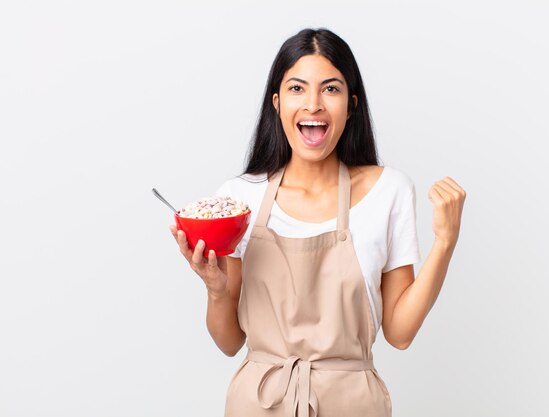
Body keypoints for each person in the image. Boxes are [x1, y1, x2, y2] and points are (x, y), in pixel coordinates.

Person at [169, 28, 466, 417]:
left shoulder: (388, 191)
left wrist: (445, 243)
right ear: (276, 103)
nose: (313, 104)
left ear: (351, 104)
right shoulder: (240, 198)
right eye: (296, 89)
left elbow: (400, 332)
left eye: (330, 89)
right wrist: (216, 288)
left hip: (351, 404)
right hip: (259, 403)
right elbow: (228, 342)